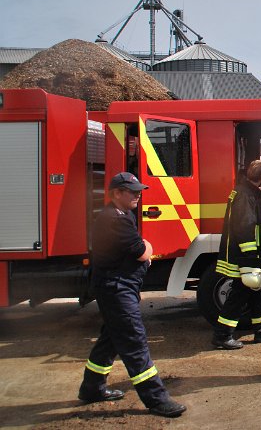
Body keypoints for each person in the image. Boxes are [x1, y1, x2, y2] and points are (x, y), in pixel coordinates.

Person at [78, 172, 186, 418]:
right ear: (117, 193)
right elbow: (141, 251)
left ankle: (92, 387)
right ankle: (156, 399)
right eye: (133, 191)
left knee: (111, 337)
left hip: (120, 287)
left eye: (139, 190)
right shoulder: (115, 219)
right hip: (117, 289)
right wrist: (147, 248)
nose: (138, 195)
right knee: (134, 342)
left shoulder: (123, 214)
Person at [213, 160, 261, 350]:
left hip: (250, 254)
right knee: (240, 294)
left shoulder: (246, 191)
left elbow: (258, 208)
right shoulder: (245, 196)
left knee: (260, 290)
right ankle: (222, 335)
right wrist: (251, 256)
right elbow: (245, 227)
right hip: (245, 255)